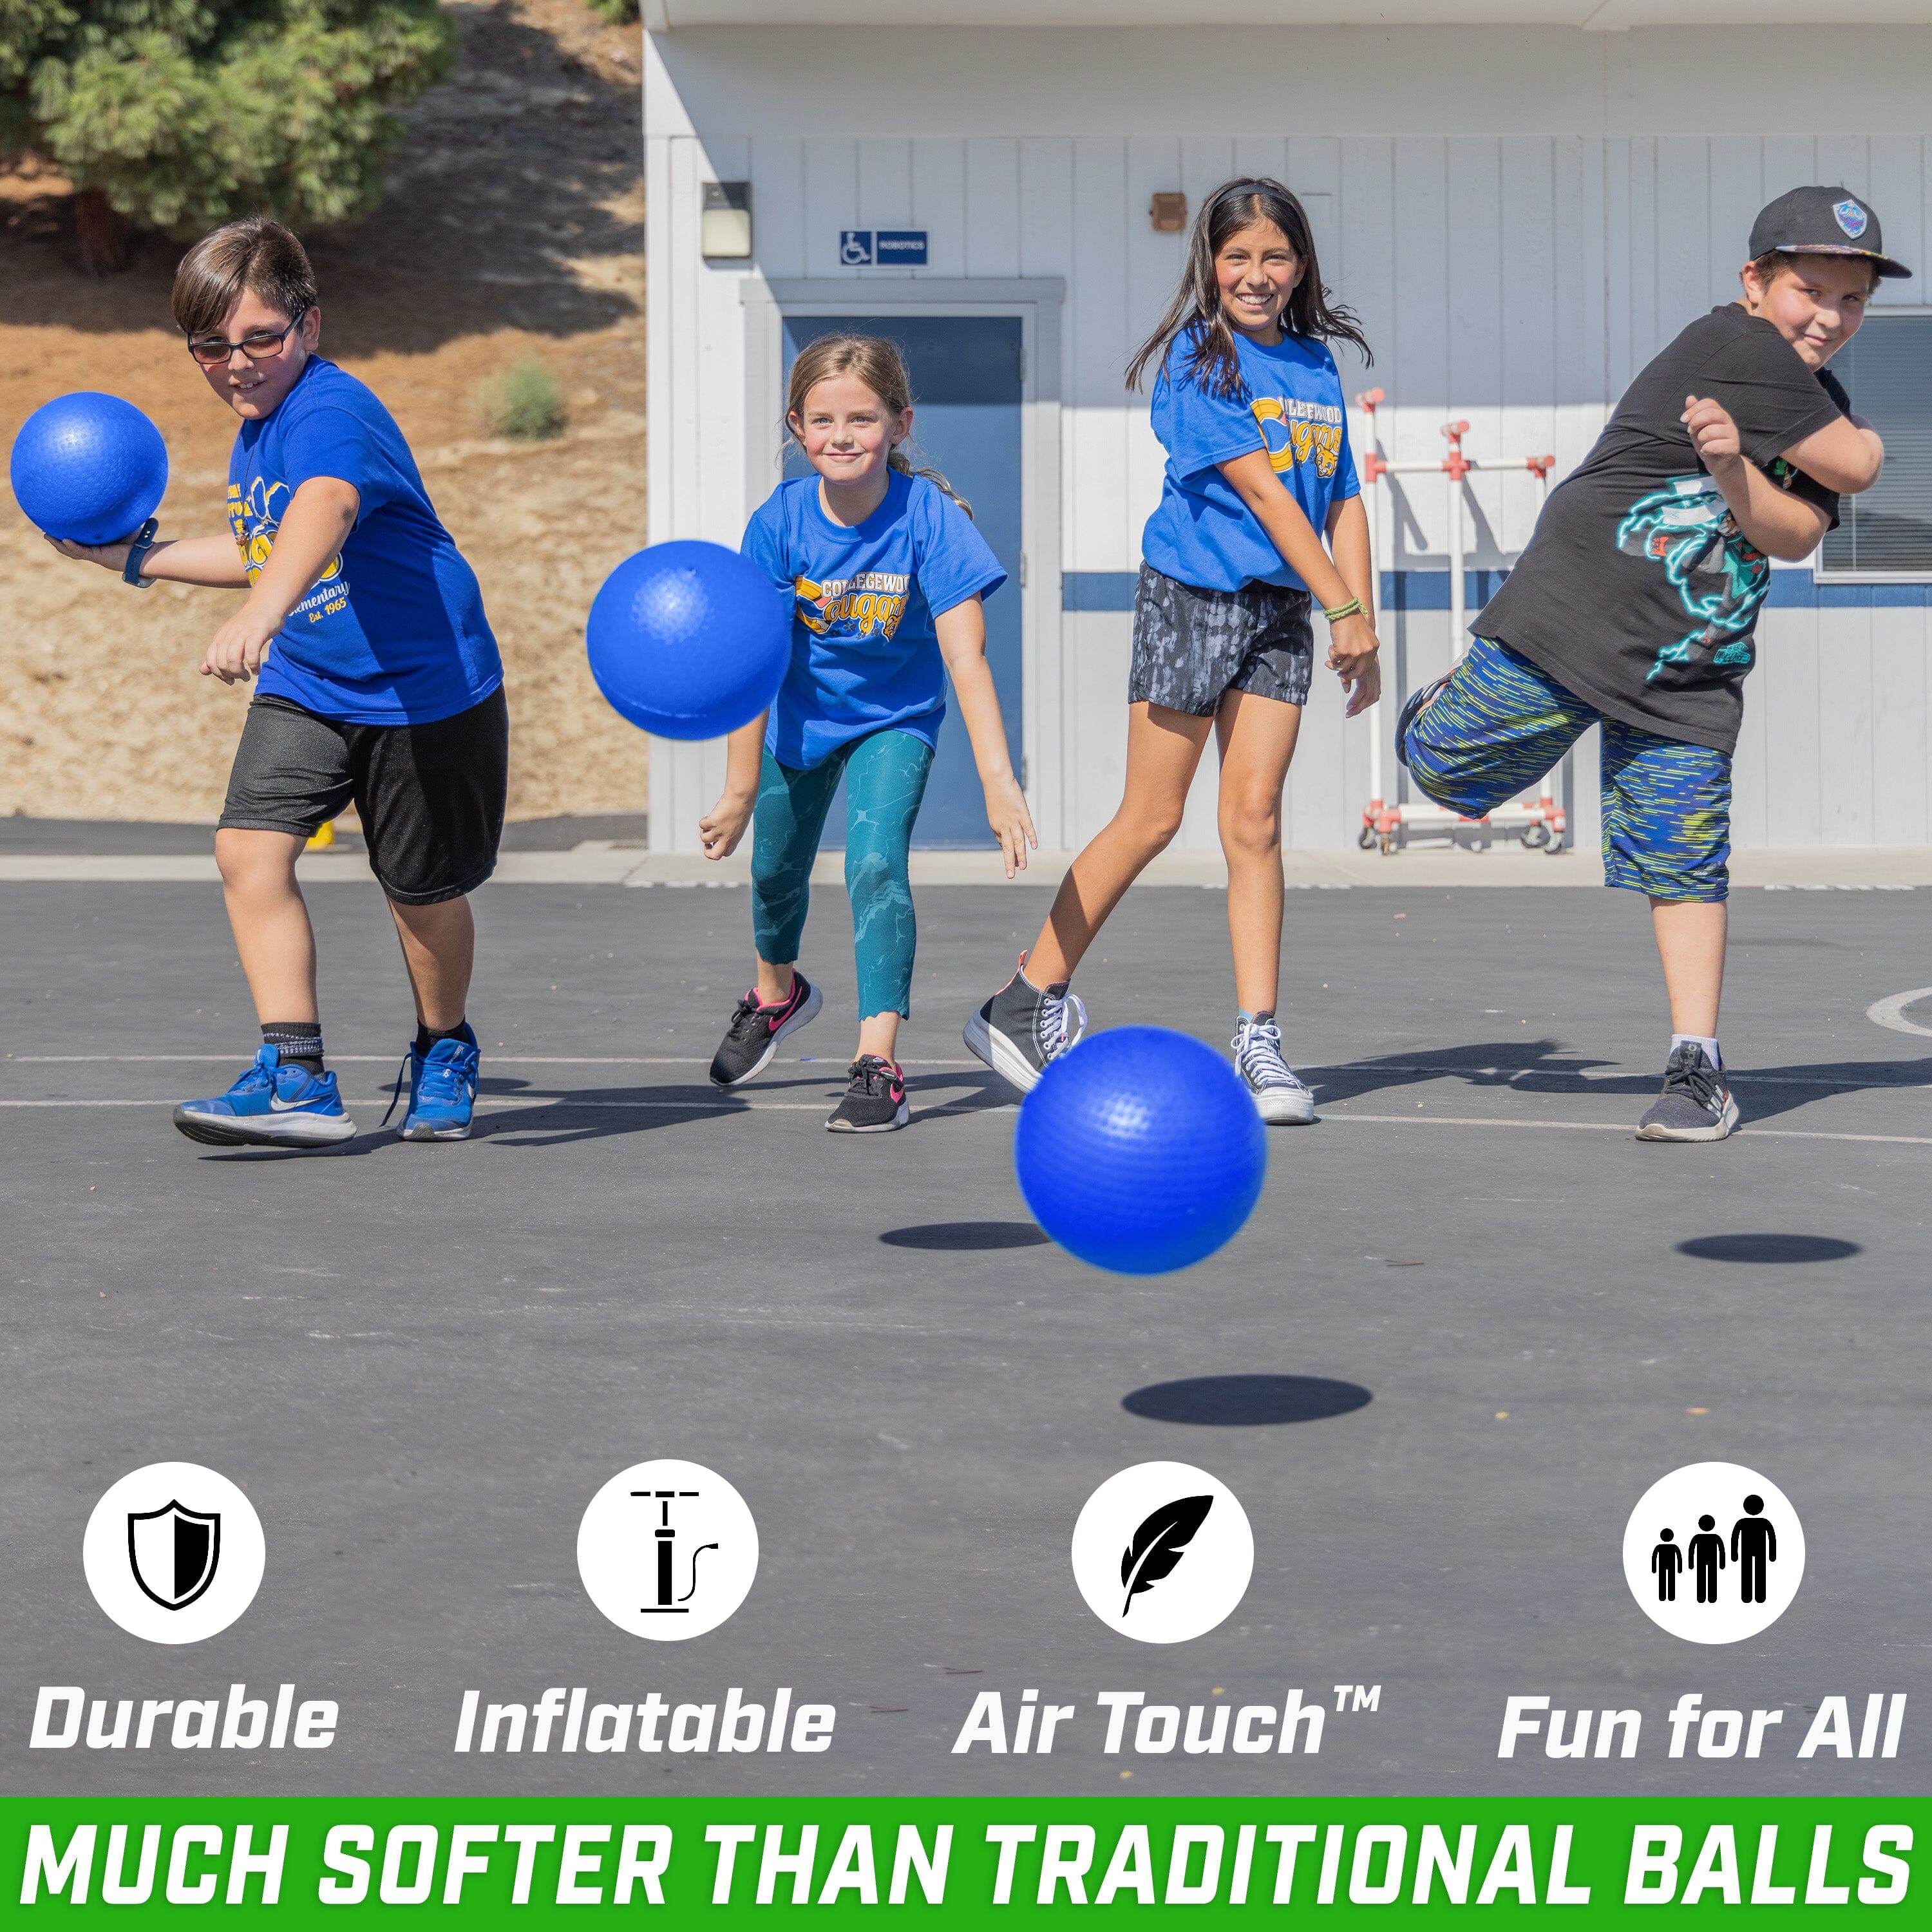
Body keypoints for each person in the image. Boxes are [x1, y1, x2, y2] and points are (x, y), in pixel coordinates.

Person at [1399, 187, 1900, 1141]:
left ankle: (1695, 1067)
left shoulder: (1807, 397)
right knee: (1446, 772)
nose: (1831, 317)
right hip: (1577, 619)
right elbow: (1862, 467)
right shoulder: (1734, 346)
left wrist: (1732, 469)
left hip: (1689, 666)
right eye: (1811, 290)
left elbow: (1793, 533)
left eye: (1853, 301)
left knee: (1687, 858)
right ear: (1753, 284)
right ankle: (1441, 708)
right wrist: (1873, 444)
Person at [49, 218, 507, 1147]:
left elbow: (327, 508)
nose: (237, 363)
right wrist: (142, 558)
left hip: (423, 688)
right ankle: (296, 1075)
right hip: (312, 678)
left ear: (309, 326)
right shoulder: (255, 432)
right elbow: (264, 543)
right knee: (247, 852)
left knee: (418, 892)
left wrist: (262, 613)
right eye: (212, 346)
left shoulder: (330, 412)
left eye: (260, 338)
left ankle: (446, 1044)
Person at [963, 177, 1380, 1120]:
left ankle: (1260, 1040)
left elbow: (1340, 493)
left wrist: (1364, 624)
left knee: (1256, 823)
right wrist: (1344, 603)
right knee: (1152, 819)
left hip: (1284, 608)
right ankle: (1024, 1000)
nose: (1257, 274)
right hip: (1191, 600)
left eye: (1276, 257)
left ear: (1301, 265)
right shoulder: (1201, 361)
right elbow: (1270, 499)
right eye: (1238, 257)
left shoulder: (1315, 365)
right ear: (1210, 265)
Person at [698, 334, 1028, 1132]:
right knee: (775, 870)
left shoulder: (932, 521)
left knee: (876, 865)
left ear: (900, 424)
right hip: (801, 717)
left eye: (862, 418)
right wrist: (741, 787)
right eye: (822, 420)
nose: (841, 436)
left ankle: (878, 1061)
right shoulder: (777, 524)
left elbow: (967, 658)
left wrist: (998, 778)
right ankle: (776, 996)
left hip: (895, 720)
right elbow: (755, 661)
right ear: (796, 426)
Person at [1730, 1494, 1777, 1604]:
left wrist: (1734, 1553)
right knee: (1754, 1572)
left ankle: (1753, 1596)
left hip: (1753, 1551)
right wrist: (1772, 1554)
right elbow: (1772, 1538)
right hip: (1757, 1551)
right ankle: (1755, 1596)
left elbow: (1735, 1538)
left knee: (1754, 1572)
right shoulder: (1763, 1522)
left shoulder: (1743, 1522)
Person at [1688, 1513, 1728, 1604]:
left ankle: (1703, 1597)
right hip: (1711, 1561)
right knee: (1710, 1578)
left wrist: (1691, 1563)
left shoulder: (1697, 1537)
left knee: (1704, 1578)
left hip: (1702, 1561)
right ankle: (1711, 1597)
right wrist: (1722, 1563)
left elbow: (1691, 1551)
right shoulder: (1715, 1537)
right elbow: (1721, 1550)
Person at [1651, 1526, 1683, 1603]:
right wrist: (1679, 1568)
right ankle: (1670, 1596)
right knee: (1670, 1580)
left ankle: (1663, 1596)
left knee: (1663, 1580)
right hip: (1671, 1566)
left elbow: (1654, 1558)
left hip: (1662, 1566)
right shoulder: (1674, 1547)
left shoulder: (1659, 1547)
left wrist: (1654, 1569)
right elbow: (1679, 1558)